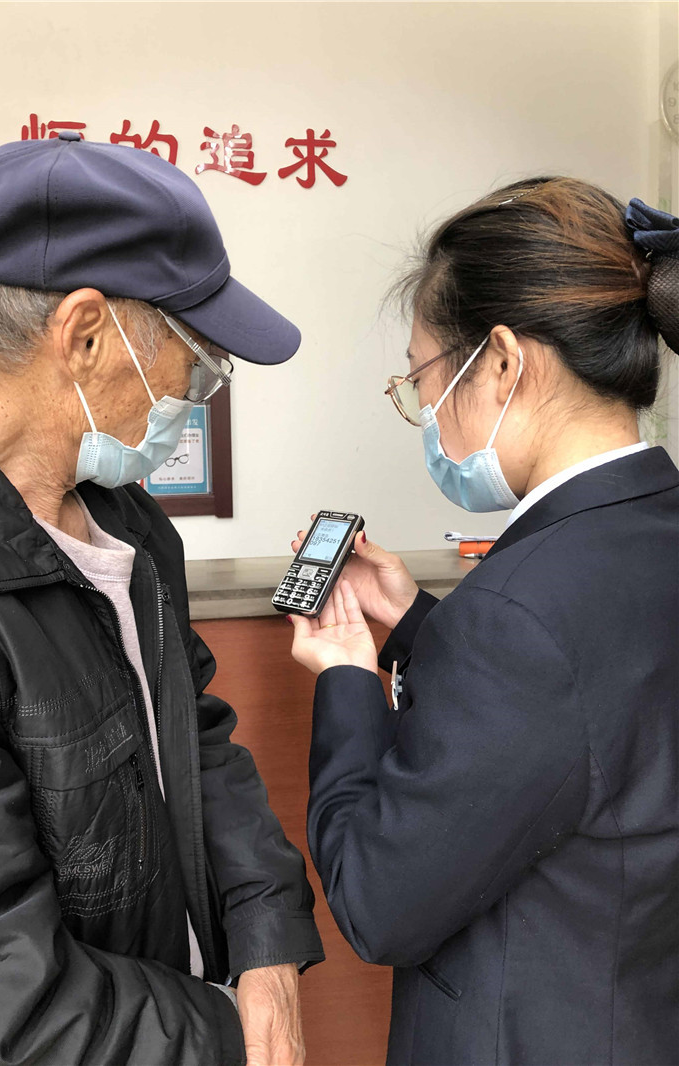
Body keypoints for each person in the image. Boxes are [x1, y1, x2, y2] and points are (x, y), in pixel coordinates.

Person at [0, 133, 324, 1066]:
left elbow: (197, 739)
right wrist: (234, 1037)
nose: (197, 392)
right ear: (85, 335)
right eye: (196, 358)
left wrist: (267, 944)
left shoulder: (124, 519)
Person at [289, 178, 679, 1065]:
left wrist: (347, 678)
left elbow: (378, 903)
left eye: (423, 376)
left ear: (502, 360)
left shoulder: (517, 610)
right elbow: (597, 707)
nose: (427, 412)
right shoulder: (641, 535)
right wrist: (417, 623)